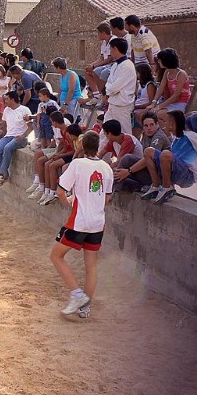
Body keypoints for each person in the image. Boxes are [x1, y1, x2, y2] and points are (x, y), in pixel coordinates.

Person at [50, 131, 113, 318]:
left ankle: (77, 295)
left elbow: (60, 191)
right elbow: (107, 198)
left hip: (79, 221)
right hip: (98, 222)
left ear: (82, 146)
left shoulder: (77, 164)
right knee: (91, 266)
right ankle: (85, 308)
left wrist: (69, 203)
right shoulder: (107, 168)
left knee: (56, 256)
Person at [124, 110, 197, 205]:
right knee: (149, 151)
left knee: (166, 154)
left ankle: (167, 188)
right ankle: (156, 186)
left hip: (189, 175)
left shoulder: (191, 136)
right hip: (177, 172)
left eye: (166, 121)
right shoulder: (175, 138)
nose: (164, 124)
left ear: (172, 124)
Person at [0, 91, 33, 186]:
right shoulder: (6, 110)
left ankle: (1, 174)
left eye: (7, 99)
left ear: (12, 99)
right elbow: (4, 124)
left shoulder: (24, 110)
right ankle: (3, 173)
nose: (5, 101)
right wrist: (2, 131)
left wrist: (23, 136)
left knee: (7, 148)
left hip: (20, 138)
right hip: (8, 136)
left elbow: (30, 127)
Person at [103, 38, 136, 139]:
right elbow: (109, 84)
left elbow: (114, 87)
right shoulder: (115, 65)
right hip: (112, 105)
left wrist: (109, 90)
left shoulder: (127, 66)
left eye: (111, 49)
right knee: (104, 135)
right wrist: (109, 90)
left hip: (123, 107)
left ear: (115, 49)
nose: (110, 52)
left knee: (124, 136)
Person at [146, 48, 191, 113]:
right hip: (169, 103)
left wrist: (159, 107)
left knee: (159, 114)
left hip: (181, 103)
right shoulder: (167, 72)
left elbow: (176, 96)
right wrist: (153, 103)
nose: (158, 62)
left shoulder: (181, 74)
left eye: (160, 60)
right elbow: (161, 88)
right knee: (148, 113)